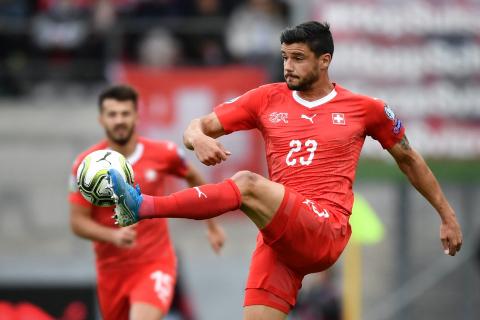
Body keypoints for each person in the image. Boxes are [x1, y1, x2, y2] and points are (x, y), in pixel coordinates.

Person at [107, 22, 463, 320]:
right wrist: (198, 138)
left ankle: (142, 207)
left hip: (325, 228)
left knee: (246, 183)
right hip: (281, 238)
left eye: (297, 58)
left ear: (325, 61)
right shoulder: (266, 98)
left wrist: (446, 215)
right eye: (284, 58)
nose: (288, 66)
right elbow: (196, 126)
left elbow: (409, 159)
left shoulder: (366, 109)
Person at [68, 85, 225, 320]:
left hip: (155, 263)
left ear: (136, 116)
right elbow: (77, 223)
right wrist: (114, 236)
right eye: (112, 114)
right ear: (101, 119)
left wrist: (212, 225)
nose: (119, 120)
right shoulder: (85, 167)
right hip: (111, 271)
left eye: (125, 113)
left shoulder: (164, 153)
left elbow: (194, 178)